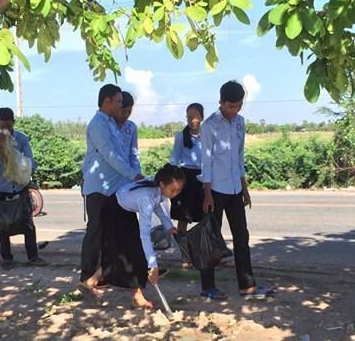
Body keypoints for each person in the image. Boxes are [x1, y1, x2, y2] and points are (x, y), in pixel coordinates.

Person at [199, 80, 274, 301]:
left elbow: (239, 157)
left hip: (235, 189)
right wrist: (207, 194)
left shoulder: (240, 122)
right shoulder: (209, 125)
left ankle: (247, 286)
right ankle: (208, 287)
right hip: (215, 190)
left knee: (242, 237)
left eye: (239, 105)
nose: (235, 110)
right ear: (221, 102)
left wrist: (245, 188)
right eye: (231, 106)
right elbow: (206, 162)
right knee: (211, 239)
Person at [79, 83, 143, 298]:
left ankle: (124, 278)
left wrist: (135, 176)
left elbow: (127, 154)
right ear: (107, 101)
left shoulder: (112, 124)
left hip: (118, 187)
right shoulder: (99, 124)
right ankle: (87, 277)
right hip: (100, 187)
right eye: (118, 102)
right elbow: (111, 155)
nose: (120, 106)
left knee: (123, 232)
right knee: (96, 232)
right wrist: (133, 175)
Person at [103, 164, 184, 308]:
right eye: (173, 190)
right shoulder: (146, 197)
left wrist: (169, 226)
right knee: (137, 253)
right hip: (114, 210)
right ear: (162, 184)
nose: (176, 194)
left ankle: (92, 280)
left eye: (179, 190)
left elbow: (157, 205)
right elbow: (145, 234)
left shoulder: (156, 188)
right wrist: (153, 264)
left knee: (136, 253)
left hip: (125, 209)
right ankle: (137, 296)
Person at [0, 107, 45, 269]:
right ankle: (7, 258)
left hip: (20, 186)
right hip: (0, 187)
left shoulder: (22, 139)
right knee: (2, 224)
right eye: (2, 126)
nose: (5, 129)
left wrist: (22, 167)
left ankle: (33, 256)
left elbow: (31, 161)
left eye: (8, 126)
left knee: (27, 223)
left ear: (13, 123)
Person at [169, 103, 205, 235]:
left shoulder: (207, 135)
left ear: (201, 117)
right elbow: (174, 159)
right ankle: (182, 245)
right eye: (189, 118)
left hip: (203, 176)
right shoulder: (181, 136)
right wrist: (172, 179)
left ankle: (203, 244)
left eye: (195, 117)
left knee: (204, 215)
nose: (192, 120)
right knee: (184, 216)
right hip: (186, 178)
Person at [116, 91, 141, 172]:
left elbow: (133, 154)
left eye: (129, 111)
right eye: (123, 111)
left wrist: (137, 174)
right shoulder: (107, 126)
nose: (126, 115)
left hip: (126, 174)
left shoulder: (132, 127)